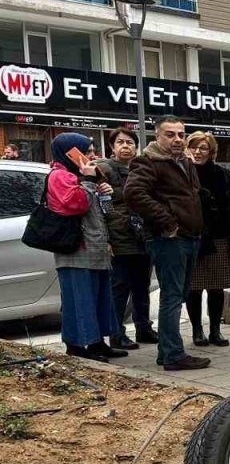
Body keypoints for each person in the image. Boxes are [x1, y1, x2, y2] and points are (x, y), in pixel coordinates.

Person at [124, 116, 210, 372]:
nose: (177, 139)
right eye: (170, 134)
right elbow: (133, 193)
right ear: (157, 137)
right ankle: (173, 355)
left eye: (181, 134)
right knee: (172, 296)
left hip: (189, 237)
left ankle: (166, 352)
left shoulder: (183, 161)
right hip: (169, 239)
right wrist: (167, 221)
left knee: (179, 294)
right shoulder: (148, 161)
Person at [46, 133, 126, 362]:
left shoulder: (81, 175)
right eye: (87, 151)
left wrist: (105, 194)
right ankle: (78, 344)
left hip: (96, 246)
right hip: (75, 249)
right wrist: (89, 182)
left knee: (100, 297)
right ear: (71, 152)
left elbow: (103, 213)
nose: (92, 155)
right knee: (80, 299)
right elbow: (75, 204)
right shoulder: (60, 176)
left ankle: (97, 341)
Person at [97, 127, 158, 350]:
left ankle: (144, 327)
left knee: (142, 285)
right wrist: (107, 240)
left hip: (143, 236)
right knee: (120, 288)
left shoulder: (142, 168)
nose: (126, 146)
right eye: (120, 142)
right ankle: (116, 334)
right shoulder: (104, 169)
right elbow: (100, 207)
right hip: (119, 237)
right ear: (112, 147)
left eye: (130, 142)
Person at [185, 132, 230, 347]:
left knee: (216, 287)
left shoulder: (225, 176)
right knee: (193, 287)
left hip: (219, 238)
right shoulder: (182, 173)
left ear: (211, 151)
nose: (197, 152)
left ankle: (215, 329)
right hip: (193, 237)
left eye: (202, 148)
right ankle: (196, 330)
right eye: (193, 147)